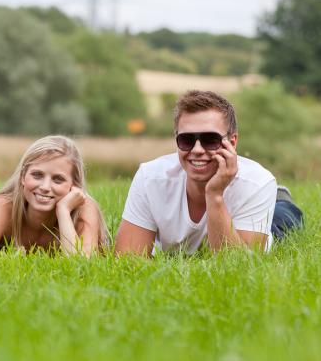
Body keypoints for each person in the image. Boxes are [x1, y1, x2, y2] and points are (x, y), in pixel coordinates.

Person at [115, 90, 304, 256]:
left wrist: (215, 194)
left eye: (210, 139)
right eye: (186, 139)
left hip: (265, 225)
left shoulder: (258, 182)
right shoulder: (150, 178)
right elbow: (128, 259)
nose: (197, 149)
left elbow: (238, 267)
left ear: (233, 141)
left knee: (284, 219)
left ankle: (281, 199)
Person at [0, 135, 109, 255]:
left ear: (75, 185)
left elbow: (83, 266)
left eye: (58, 179)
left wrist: (63, 211)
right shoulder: (4, 206)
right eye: (37, 175)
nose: (45, 187)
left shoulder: (85, 210)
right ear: (23, 177)